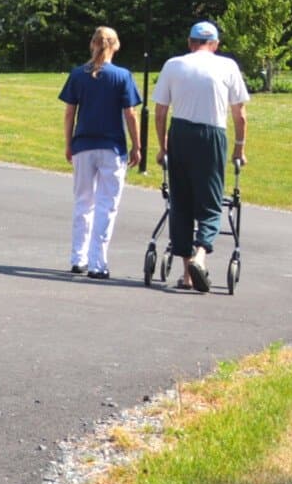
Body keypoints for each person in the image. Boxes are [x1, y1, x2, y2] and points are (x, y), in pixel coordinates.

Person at [152, 20, 250, 293]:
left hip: (181, 132)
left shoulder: (173, 64)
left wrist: (163, 147)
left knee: (181, 200)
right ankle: (201, 254)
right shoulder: (227, 66)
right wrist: (239, 148)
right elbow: (240, 114)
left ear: (190, 42)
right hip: (212, 134)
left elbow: (160, 112)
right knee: (210, 199)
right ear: (215, 44)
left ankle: (185, 274)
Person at [57, 26, 143, 280]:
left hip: (83, 144)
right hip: (111, 146)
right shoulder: (122, 76)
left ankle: (78, 257)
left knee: (83, 202)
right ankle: (98, 261)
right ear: (115, 46)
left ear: (92, 44)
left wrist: (68, 142)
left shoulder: (78, 74)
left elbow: (70, 112)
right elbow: (130, 113)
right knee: (107, 204)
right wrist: (137, 145)